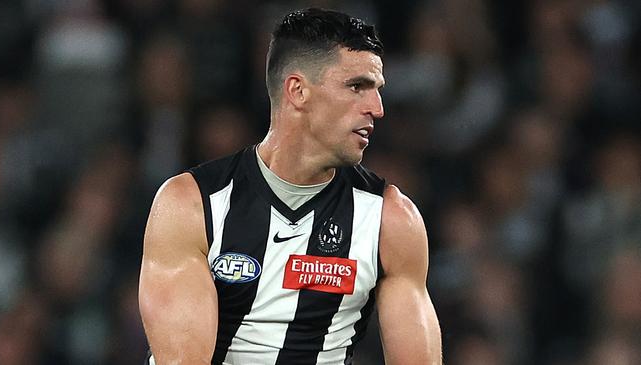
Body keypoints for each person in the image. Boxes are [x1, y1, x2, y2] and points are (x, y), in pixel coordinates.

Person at [139, 8, 442, 365]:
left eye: (377, 90)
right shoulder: (192, 205)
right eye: (357, 86)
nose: (377, 108)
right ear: (298, 91)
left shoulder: (391, 220)